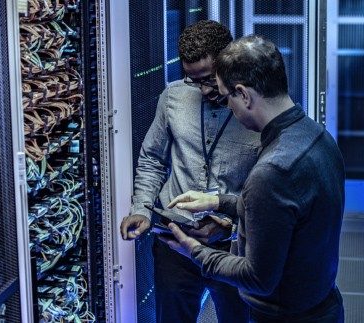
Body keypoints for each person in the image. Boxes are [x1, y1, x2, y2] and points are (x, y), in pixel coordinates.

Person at [163, 35, 346, 322]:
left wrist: (195, 251)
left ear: (244, 95)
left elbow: (257, 278)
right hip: (323, 305)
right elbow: (287, 215)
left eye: (226, 98)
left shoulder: (272, 170)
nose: (228, 109)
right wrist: (218, 201)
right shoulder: (318, 136)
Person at [119, 21, 260, 323]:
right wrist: (142, 208)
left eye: (209, 79)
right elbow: (152, 159)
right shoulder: (173, 98)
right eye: (193, 80)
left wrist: (231, 225)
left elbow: (268, 187)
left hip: (233, 248)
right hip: (175, 240)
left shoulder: (256, 108)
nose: (203, 90)